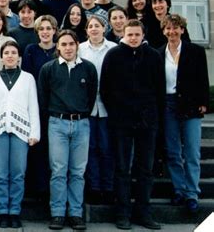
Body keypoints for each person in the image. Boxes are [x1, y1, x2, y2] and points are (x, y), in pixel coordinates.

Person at [100, 19, 164, 230]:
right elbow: (106, 89)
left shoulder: (154, 56)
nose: (134, 38)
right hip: (122, 121)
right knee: (122, 168)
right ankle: (123, 213)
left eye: (137, 34)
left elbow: (159, 90)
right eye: (130, 35)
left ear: (143, 35)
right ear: (123, 36)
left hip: (148, 121)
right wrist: (118, 112)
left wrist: (153, 115)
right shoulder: (114, 56)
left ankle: (144, 212)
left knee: (145, 168)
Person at [39, 30, 97, 231]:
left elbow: (90, 97)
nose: (68, 48)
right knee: (58, 170)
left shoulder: (88, 69)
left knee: (78, 171)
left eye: (71, 44)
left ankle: (75, 213)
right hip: (57, 124)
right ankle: (57, 213)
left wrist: (80, 114)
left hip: (81, 124)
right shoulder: (48, 69)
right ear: (58, 47)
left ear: (77, 45)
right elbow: (43, 98)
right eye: (63, 44)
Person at [0, 41, 39, 229]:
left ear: (19, 57)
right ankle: (2, 211)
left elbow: (33, 106)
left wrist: (34, 132)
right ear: (1, 57)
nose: (10, 56)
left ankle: (14, 211)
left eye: (14, 52)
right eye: (6, 53)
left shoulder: (28, 78)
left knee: (18, 173)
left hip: (21, 131)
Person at [158, 14, 209, 213]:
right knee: (172, 151)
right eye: (168, 29)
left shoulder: (194, 51)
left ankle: (192, 193)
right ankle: (179, 189)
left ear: (182, 30)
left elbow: (203, 78)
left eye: (175, 28)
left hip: (190, 106)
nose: (172, 32)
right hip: (168, 105)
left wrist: (203, 102)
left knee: (192, 152)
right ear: (163, 31)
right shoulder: (159, 53)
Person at [78, 16, 117, 205]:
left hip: (108, 106)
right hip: (87, 106)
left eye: (98, 26)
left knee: (106, 148)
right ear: (86, 30)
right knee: (91, 148)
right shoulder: (80, 49)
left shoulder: (113, 49)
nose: (94, 29)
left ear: (104, 28)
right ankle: (93, 187)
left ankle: (108, 187)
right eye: (90, 26)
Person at [21, 14, 58, 201]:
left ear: (54, 31)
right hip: (35, 104)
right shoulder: (30, 50)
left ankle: (52, 189)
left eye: (48, 28)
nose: (45, 32)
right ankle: (38, 186)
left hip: (56, 106)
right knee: (36, 146)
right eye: (41, 29)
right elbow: (27, 78)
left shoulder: (60, 50)